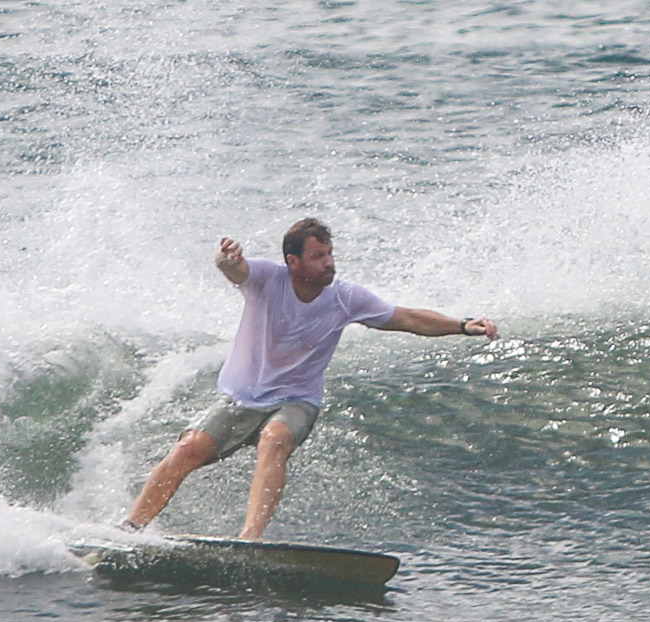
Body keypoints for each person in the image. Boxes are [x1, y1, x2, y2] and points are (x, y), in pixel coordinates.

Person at [122, 218, 498, 539]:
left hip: (296, 400)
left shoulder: (345, 298)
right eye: (318, 256)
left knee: (275, 439)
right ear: (293, 261)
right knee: (188, 449)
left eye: (330, 254)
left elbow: (409, 319)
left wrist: (463, 326)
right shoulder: (269, 279)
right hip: (240, 398)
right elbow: (235, 270)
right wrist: (226, 259)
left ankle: (249, 540)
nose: (329, 263)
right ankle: (131, 529)